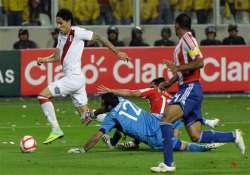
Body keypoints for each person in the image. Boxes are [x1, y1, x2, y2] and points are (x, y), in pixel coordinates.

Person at [150, 13, 246, 173]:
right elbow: (185, 68)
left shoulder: (188, 39)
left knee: (165, 120)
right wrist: (169, 82)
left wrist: (177, 67)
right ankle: (233, 136)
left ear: (177, 25)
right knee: (196, 136)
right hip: (187, 88)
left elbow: (200, 62)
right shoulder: (183, 42)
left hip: (190, 88)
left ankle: (168, 164)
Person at [36, 9, 129, 144]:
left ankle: (56, 129)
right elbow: (57, 56)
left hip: (73, 78)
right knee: (86, 116)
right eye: (57, 23)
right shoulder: (61, 35)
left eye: (60, 23)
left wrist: (117, 52)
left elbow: (100, 38)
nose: (58, 26)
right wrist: (44, 59)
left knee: (42, 96)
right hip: (76, 80)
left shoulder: (77, 32)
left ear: (68, 21)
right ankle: (120, 124)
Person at [67, 93, 223, 154]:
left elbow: (96, 136)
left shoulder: (111, 117)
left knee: (181, 146)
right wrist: (93, 113)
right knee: (179, 119)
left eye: (103, 104)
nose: (101, 105)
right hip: (158, 121)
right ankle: (207, 134)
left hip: (152, 137)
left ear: (108, 106)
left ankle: (205, 147)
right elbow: (104, 107)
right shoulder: (122, 100)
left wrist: (83, 149)